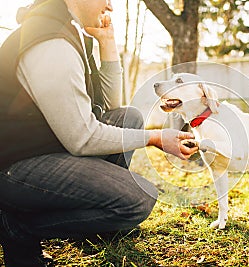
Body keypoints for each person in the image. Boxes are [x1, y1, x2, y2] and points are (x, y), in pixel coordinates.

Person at [0, 0, 198, 266]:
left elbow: (112, 109)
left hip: (48, 147)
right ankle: (17, 228)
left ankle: (94, 228)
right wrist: (155, 138)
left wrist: (107, 43)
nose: (110, 6)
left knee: (129, 117)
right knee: (139, 199)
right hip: (14, 166)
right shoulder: (51, 41)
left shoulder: (69, 30)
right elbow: (82, 137)